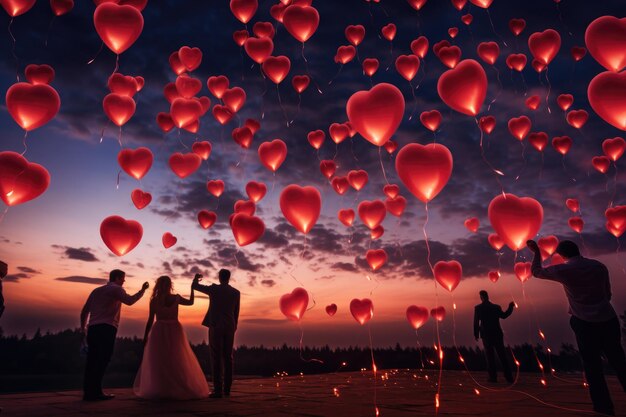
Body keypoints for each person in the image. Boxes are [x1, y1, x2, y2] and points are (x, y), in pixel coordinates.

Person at [527, 239, 626, 416]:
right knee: (619, 361)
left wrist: (536, 252)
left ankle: (603, 407)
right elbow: (608, 294)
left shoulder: (564, 270)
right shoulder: (598, 266)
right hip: (608, 318)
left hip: (583, 322)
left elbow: (536, 271)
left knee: (592, 366)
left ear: (562, 255)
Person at [134, 274, 209, 400]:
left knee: (160, 360)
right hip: (175, 329)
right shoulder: (176, 298)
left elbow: (150, 320)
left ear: (158, 285)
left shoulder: (154, 300)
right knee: (176, 358)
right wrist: (192, 287)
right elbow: (191, 302)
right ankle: (175, 387)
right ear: (170, 285)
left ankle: (161, 388)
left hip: (158, 330)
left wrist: (146, 336)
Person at [80, 269, 148, 401]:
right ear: (117, 278)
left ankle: (89, 392)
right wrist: (143, 290)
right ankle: (96, 392)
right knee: (103, 359)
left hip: (93, 328)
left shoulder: (96, 291)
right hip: (106, 328)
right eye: (123, 278)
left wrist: (83, 329)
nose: (124, 281)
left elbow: (84, 311)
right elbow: (130, 300)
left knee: (92, 361)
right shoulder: (116, 289)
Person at [193, 269, 240, 398]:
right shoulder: (236, 293)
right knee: (228, 357)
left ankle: (218, 390)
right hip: (230, 326)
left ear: (220, 277)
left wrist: (196, 278)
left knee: (216, 357)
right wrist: (234, 326)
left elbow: (195, 287)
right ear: (229, 278)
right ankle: (227, 390)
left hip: (216, 326)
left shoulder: (214, 289)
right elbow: (236, 313)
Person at [473, 290, 515, 383]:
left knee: (490, 356)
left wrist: (476, 334)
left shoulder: (478, 308)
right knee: (502, 355)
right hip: (497, 334)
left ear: (481, 297)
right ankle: (509, 377)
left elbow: (476, 322)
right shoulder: (496, 307)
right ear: (487, 296)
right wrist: (510, 307)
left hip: (486, 335)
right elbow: (504, 315)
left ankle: (493, 377)